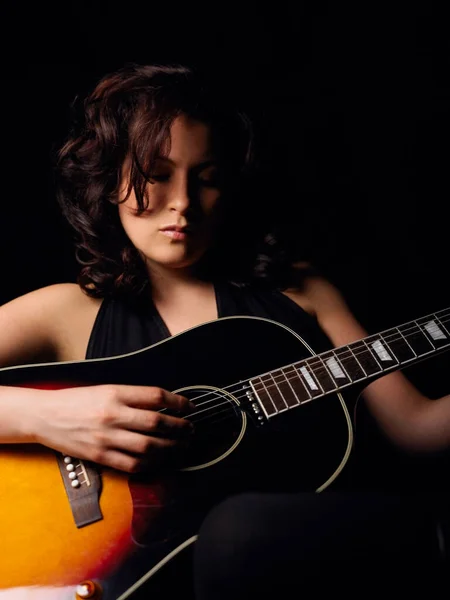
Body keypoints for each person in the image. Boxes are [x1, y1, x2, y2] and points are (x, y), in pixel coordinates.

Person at [0, 63, 449, 599]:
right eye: (156, 173)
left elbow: (417, 428)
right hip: (138, 578)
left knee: (240, 531)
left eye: (207, 178)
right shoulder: (66, 311)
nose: (183, 202)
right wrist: (48, 416)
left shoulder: (300, 291)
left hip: (293, 561)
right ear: (110, 178)